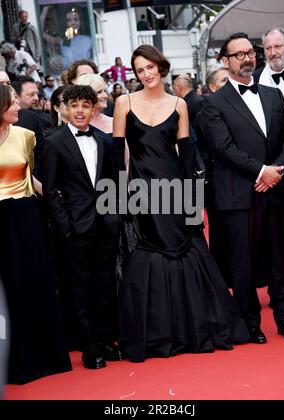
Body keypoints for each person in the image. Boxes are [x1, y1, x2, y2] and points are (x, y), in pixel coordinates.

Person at [113, 44, 250, 363]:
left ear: (161, 67)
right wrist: (122, 199)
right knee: (153, 249)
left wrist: (192, 201)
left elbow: (187, 156)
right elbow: (117, 156)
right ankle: (160, 333)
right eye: (139, 70)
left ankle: (196, 330)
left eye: (150, 67)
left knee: (187, 248)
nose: (145, 74)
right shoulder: (124, 102)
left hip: (175, 189)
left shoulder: (179, 105)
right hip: (142, 191)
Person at [200, 32, 284, 343]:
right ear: (225, 61)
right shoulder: (213, 103)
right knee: (242, 263)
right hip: (238, 195)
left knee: (280, 259)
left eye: (250, 52)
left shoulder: (272, 95)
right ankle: (251, 322)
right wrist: (261, 171)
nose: (247, 58)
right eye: (239, 54)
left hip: (275, 191)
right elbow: (223, 147)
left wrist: (276, 171)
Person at [42, 85, 122, 369]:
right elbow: (50, 190)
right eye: (74, 105)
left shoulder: (104, 140)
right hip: (75, 228)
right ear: (64, 107)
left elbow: (112, 182)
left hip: (105, 225)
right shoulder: (53, 142)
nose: (79, 111)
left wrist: (113, 215)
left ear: (93, 108)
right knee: (80, 288)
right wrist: (64, 226)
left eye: (85, 106)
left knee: (104, 286)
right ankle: (88, 347)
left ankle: (105, 341)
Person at [0, 84, 72, 383]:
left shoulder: (25, 135)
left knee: (32, 283)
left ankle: (43, 358)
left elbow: (33, 177)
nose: (19, 106)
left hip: (25, 217)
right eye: (12, 102)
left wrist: (59, 198)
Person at [254, 27, 284, 295]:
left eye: (278, 47)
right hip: (277, 166)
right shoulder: (258, 79)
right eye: (268, 48)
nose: (273, 53)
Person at [41, 6, 92, 71]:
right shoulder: (62, 41)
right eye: (69, 20)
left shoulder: (89, 40)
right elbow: (41, 33)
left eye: (76, 19)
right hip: (69, 76)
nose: (73, 23)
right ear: (65, 24)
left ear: (80, 22)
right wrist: (45, 9)